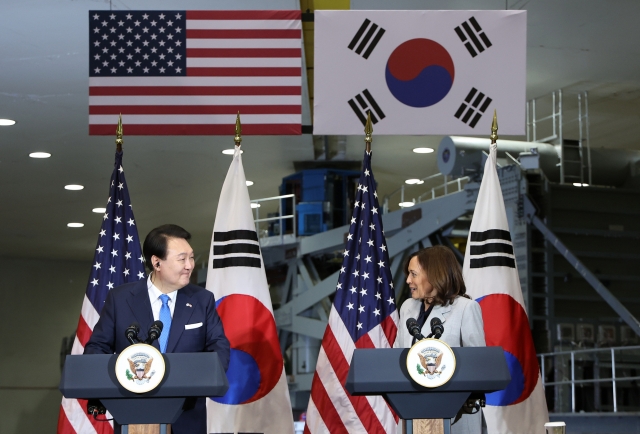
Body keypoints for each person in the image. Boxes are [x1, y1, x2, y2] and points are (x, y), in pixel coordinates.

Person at [85, 224, 230, 434]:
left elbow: (220, 349)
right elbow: (96, 348)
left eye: (191, 257)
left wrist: (196, 380)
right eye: (182, 259)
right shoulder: (120, 299)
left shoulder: (202, 300)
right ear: (157, 262)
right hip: (134, 415)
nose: (190, 265)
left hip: (187, 417)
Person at [394, 245, 485, 434]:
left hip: (456, 416)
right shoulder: (407, 307)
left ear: (434, 274)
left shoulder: (466, 308)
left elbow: (478, 366)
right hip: (412, 412)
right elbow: (397, 356)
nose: (408, 280)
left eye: (413, 274)